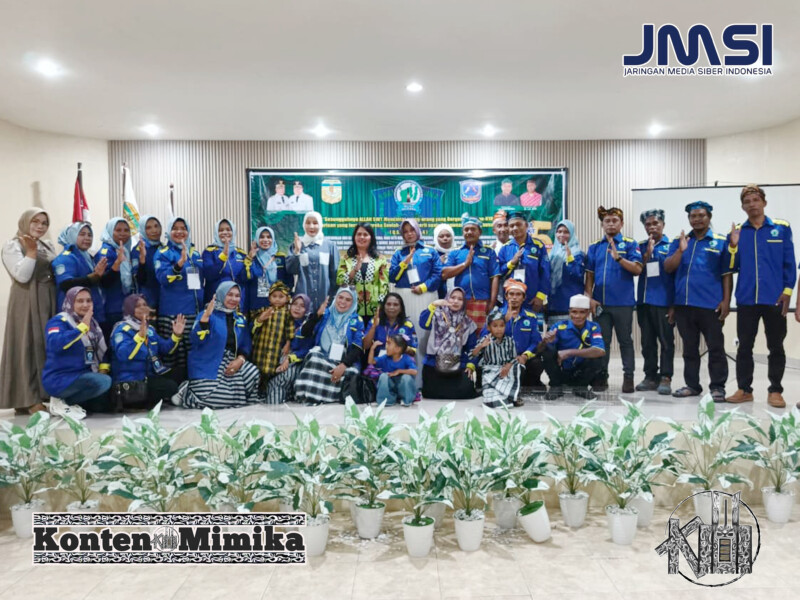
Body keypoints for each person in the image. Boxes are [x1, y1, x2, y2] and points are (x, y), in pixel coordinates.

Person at [728, 185, 796, 408]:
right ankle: (744, 389)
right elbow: (731, 267)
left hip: (775, 298)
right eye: (747, 202)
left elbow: (789, 262)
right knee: (744, 347)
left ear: (764, 203)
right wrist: (732, 247)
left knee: (776, 346)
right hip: (747, 298)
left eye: (756, 200)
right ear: (742, 207)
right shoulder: (738, 232)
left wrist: (788, 291)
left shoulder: (781, 228)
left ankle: (775, 390)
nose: (752, 205)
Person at [664, 201, 733, 402]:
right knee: (689, 349)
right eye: (693, 216)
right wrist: (680, 251)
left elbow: (727, 274)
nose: (697, 219)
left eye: (701, 215)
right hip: (684, 305)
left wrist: (726, 301)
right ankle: (692, 385)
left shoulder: (720, 242)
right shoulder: (680, 241)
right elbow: (668, 268)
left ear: (709, 218)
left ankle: (718, 387)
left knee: (716, 348)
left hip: (710, 305)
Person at [1, 208, 57, 414]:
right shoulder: (13, 245)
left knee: (43, 345)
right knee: (27, 345)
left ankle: (42, 394)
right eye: (35, 221)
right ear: (25, 221)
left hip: (47, 300)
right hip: (26, 300)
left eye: (44, 223)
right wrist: (31, 252)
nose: (40, 226)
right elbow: (22, 276)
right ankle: (27, 397)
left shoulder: (47, 244)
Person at [172, 282, 260, 409]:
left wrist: (240, 360)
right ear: (220, 294)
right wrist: (205, 319)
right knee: (213, 399)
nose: (234, 299)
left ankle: (229, 396)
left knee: (253, 373)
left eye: (237, 296)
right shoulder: (206, 314)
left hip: (230, 363)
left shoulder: (240, 319)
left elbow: (245, 344)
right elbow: (195, 340)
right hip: (207, 363)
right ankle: (186, 391)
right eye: (229, 294)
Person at [584, 206, 643, 393]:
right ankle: (601, 376)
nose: (611, 224)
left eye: (614, 221)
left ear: (621, 223)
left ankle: (628, 377)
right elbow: (589, 275)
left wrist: (619, 259)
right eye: (607, 221)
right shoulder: (595, 246)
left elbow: (637, 269)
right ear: (602, 225)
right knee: (602, 342)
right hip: (600, 304)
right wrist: (589, 297)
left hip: (623, 304)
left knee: (625, 342)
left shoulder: (630, 244)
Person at [42, 286, 113, 419]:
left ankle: (66, 403)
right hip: (60, 378)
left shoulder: (93, 324)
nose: (85, 305)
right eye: (80, 301)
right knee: (103, 382)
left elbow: (101, 351)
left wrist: (103, 370)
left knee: (105, 394)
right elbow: (55, 344)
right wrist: (81, 329)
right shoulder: (59, 321)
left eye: (88, 301)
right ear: (70, 302)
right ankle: (59, 401)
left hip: (83, 376)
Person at [109, 294, 184, 410]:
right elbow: (123, 355)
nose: (143, 308)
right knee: (170, 386)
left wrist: (176, 335)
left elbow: (165, 349)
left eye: (144, 305)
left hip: (149, 375)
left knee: (182, 373)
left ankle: (149, 401)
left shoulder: (150, 329)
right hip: (131, 381)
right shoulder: (122, 329)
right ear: (129, 308)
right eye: (138, 306)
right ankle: (140, 403)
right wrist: (139, 337)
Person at [294, 287, 365, 406]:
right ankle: (311, 395)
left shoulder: (357, 320)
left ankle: (325, 395)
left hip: (344, 360)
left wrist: (343, 365)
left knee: (352, 372)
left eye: (348, 300)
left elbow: (358, 347)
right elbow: (305, 332)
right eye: (340, 297)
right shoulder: (325, 314)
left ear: (353, 303)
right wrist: (317, 315)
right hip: (322, 357)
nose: (343, 302)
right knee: (314, 357)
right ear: (335, 298)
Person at [388, 218, 440, 381]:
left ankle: (426, 381)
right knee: (406, 336)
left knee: (425, 336)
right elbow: (392, 277)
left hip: (425, 297)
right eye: (405, 231)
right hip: (405, 299)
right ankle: (407, 380)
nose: (409, 234)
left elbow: (438, 274)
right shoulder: (398, 253)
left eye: (412, 230)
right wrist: (405, 262)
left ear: (417, 231)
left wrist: (423, 287)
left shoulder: (430, 251)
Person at [154, 216, 204, 381]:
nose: (179, 231)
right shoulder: (163, 253)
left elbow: (199, 281)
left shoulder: (194, 253)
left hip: (193, 311)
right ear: (169, 231)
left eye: (183, 228)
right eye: (175, 228)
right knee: (172, 355)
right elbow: (162, 278)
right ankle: (172, 388)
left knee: (191, 354)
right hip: (172, 312)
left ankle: (191, 387)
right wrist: (179, 264)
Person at [480, 279, 544, 397]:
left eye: (518, 294)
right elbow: (484, 337)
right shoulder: (495, 314)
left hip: (522, 358)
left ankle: (527, 384)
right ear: (506, 296)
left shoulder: (532, 317)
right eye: (511, 294)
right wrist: (504, 320)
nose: (514, 298)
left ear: (523, 298)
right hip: (500, 359)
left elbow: (536, 341)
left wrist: (525, 355)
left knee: (536, 363)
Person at [635, 209, 675, 395]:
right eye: (648, 224)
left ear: (663, 225)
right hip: (643, 302)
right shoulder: (640, 246)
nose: (652, 227)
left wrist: (673, 305)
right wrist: (647, 254)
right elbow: (636, 269)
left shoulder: (672, 246)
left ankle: (666, 377)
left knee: (666, 342)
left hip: (663, 301)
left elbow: (675, 275)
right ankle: (650, 376)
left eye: (655, 223)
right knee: (647, 342)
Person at [538, 294, 606, 400]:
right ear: (569, 312)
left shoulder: (594, 327)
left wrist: (568, 352)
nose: (577, 316)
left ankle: (581, 388)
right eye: (574, 312)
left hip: (580, 372)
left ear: (588, 313)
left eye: (582, 312)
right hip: (561, 372)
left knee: (597, 357)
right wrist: (545, 342)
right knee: (547, 350)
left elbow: (600, 350)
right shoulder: (559, 326)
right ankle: (556, 387)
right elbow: (540, 350)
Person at [442, 214, 500, 332]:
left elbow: (494, 277)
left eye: (473, 229)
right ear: (462, 232)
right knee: (461, 334)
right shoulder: (455, 252)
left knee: (482, 335)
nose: (469, 232)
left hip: (483, 300)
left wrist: (492, 302)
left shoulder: (489, 252)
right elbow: (444, 274)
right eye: (466, 229)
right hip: (461, 302)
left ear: (480, 232)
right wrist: (465, 264)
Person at [418, 287, 478, 400]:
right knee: (430, 393)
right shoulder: (436, 315)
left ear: (464, 302)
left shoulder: (468, 323)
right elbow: (423, 323)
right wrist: (433, 305)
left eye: (460, 299)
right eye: (452, 297)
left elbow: (472, 347)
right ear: (447, 298)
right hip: (434, 363)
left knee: (466, 391)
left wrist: (471, 364)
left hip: (457, 364)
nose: (455, 301)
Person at [52, 222, 107, 326]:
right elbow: (66, 284)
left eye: (89, 235)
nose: (87, 238)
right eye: (82, 234)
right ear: (72, 235)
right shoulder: (65, 257)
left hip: (91, 312)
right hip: (74, 316)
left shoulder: (87, 256)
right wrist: (94, 276)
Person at [264, 294, 315, 404]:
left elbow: (307, 349)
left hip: (297, 362)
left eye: (302, 306)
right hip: (278, 358)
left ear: (307, 309)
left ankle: (274, 403)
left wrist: (290, 358)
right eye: (295, 304)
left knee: (284, 377)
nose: (297, 308)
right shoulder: (281, 320)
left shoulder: (308, 326)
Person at [96, 217, 142, 340]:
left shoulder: (124, 250)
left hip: (124, 307)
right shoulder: (107, 251)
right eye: (118, 230)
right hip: (111, 309)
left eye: (126, 230)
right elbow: (104, 282)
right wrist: (117, 263)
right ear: (110, 231)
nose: (123, 233)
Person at [286, 211, 340, 312]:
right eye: (308, 223)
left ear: (320, 224)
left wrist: (333, 298)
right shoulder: (297, 244)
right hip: (303, 303)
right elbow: (290, 270)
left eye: (315, 223)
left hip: (325, 302)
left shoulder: (330, 246)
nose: (311, 226)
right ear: (304, 225)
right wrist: (297, 252)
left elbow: (335, 275)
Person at [498, 211, 550, 312]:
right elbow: (499, 273)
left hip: (532, 301)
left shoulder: (538, 246)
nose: (515, 228)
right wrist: (511, 263)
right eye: (511, 226)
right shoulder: (505, 248)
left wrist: (540, 297)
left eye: (518, 224)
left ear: (526, 225)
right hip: (510, 302)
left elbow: (545, 273)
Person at [336, 222, 389, 323]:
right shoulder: (346, 259)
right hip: (351, 309)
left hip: (374, 310)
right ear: (354, 237)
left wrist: (380, 308)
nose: (362, 237)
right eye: (359, 234)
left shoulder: (380, 259)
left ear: (371, 238)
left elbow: (384, 286)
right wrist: (355, 269)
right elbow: (340, 281)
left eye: (365, 234)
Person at [473, 309, 523, 409]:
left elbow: (513, 358)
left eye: (501, 326)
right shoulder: (485, 339)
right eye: (495, 326)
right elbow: (473, 354)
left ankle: (512, 396)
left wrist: (508, 366)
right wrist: (481, 346)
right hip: (490, 373)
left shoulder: (510, 341)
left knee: (517, 366)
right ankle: (509, 397)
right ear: (489, 327)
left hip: (505, 371)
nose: (499, 329)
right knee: (492, 402)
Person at [251, 281, 295, 384]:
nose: (277, 299)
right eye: (274, 296)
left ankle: (268, 385)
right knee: (258, 366)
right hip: (262, 345)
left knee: (272, 368)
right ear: (269, 298)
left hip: (276, 346)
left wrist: (287, 344)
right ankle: (257, 386)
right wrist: (260, 317)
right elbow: (254, 321)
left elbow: (290, 330)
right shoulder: (264, 310)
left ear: (287, 298)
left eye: (281, 296)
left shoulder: (287, 314)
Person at [202, 219, 253, 305]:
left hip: (237, 302)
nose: (225, 232)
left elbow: (244, 278)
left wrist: (249, 259)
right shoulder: (209, 251)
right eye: (221, 230)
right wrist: (223, 256)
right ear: (216, 233)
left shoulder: (241, 253)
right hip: (216, 302)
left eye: (228, 230)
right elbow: (209, 275)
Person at [246, 226, 292, 317]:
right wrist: (250, 258)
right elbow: (246, 278)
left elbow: (289, 281)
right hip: (258, 306)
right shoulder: (252, 258)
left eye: (269, 237)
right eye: (262, 237)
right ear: (256, 239)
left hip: (279, 306)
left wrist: (283, 298)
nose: (265, 240)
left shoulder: (281, 258)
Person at [546, 219, 585, 327]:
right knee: (553, 336)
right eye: (559, 231)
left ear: (571, 234)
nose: (562, 235)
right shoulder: (553, 254)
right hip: (553, 306)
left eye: (566, 232)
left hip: (571, 307)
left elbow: (578, 275)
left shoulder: (578, 253)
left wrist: (570, 258)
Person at [369, 333, 417, 407]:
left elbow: (414, 371)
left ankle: (406, 399)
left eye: (389, 344)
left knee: (406, 378)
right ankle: (386, 400)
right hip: (391, 385)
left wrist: (399, 371)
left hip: (401, 385)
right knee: (383, 376)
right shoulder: (385, 357)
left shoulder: (406, 358)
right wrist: (372, 348)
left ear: (397, 349)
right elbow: (371, 361)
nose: (386, 346)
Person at [131, 215, 163, 311]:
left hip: (164, 301)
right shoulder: (138, 250)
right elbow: (139, 279)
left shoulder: (164, 248)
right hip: (147, 302)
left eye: (156, 226)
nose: (154, 230)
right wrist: (142, 260)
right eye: (148, 228)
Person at [433, 223, 455, 299]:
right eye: (441, 236)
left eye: (448, 236)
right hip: (436, 295)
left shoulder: (457, 253)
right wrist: (438, 264)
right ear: (436, 238)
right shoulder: (432, 254)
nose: (445, 238)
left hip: (455, 298)